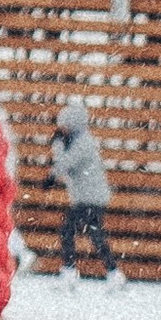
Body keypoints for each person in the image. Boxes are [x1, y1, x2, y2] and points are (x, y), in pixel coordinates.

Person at [47, 97, 116, 275]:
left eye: (63, 124)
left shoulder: (83, 142)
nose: (61, 128)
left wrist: (57, 146)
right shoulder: (81, 140)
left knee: (69, 231)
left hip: (90, 197)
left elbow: (66, 164)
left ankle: (70, 272)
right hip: (89, 196)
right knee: (94, 235)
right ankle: (113, 273)